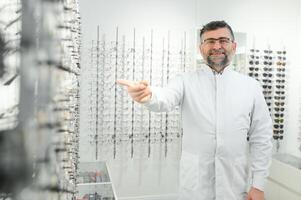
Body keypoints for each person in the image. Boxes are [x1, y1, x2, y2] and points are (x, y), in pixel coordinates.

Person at [117, 21, 273, 200]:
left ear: (234, 46)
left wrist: (258, 184)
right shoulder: (184, 81)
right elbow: (165, 98)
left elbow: (261, 136)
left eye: (223, 40)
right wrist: (149, 96)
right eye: (210, 41)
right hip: (195, 186)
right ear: (201, 48)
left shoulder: (251, 87)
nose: (217, 46)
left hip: (235, 184)